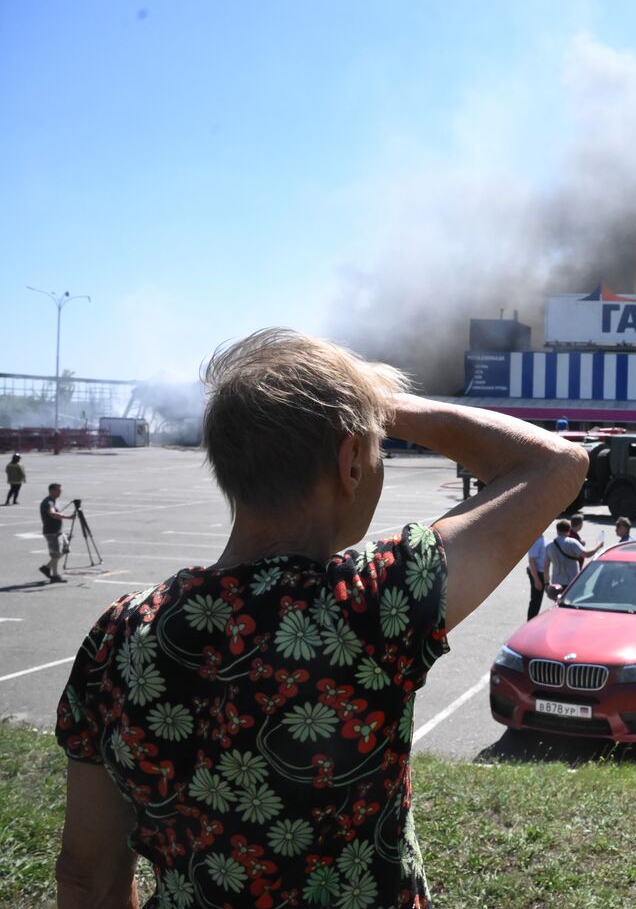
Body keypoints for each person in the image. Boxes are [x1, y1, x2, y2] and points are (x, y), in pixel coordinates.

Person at [52, 328, 589, 909]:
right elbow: (557, 461)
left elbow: (87, 877)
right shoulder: (370, 604)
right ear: (351, 463)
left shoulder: (118, 635)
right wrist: (381, 404)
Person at [548, 518, 601, 588]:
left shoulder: (550, 545)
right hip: (571, 580)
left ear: (557, 530)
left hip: (556, 581)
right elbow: (586, 554)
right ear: (569, 531)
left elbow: (546, 565)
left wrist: (546, 583)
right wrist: (598, 546)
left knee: (558, 599)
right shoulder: (572, 542)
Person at [39, 482, 72, 584]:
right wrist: (68, 517)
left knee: (65, 549)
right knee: (56, 554)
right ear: (51, 490)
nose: (60, 492)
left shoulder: (53, 501)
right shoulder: (48, 502)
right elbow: (52, 513)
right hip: (51, 532)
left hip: (58, 531)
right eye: (58, 490)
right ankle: (55, 575)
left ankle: (47, 567)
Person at [525, 530, 549, 620]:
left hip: (540, 572)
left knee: (537, 601)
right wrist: (537, 580)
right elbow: (531, 561)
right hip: (536, 573)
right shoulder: (536, 540)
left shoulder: (542, 538)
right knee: (535, 601)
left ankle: (532, 621)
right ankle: (530, 622)